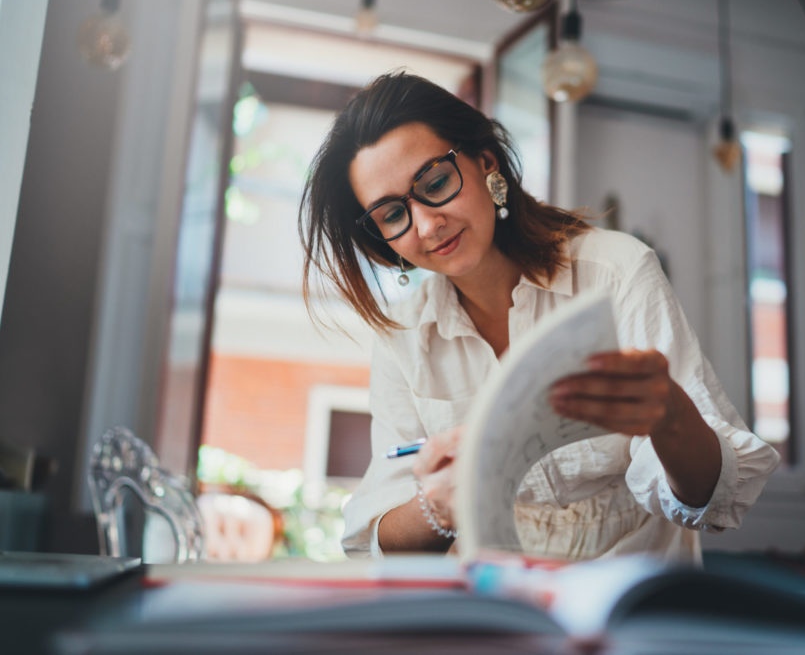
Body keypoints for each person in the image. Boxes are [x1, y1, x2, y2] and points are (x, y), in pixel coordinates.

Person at [300, 71, 780, 563]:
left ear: (486, 162)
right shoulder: (403, 339)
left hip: (629, 606)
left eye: (437, 182)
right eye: (392, 215)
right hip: (495, 614)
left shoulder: (614, 273)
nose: (426, 224)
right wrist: (440, 507)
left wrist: (671, 416)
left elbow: (716, 500)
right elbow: (372, 538)